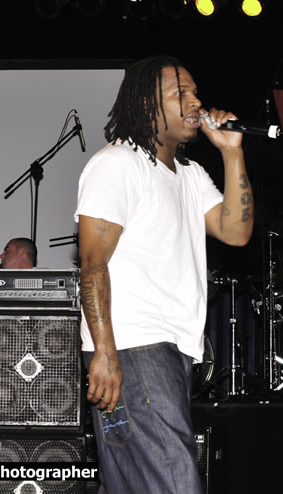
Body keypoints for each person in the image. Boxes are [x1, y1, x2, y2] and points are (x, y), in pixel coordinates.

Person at [75, 56, 253, 493]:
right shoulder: (117, 164)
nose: (196, 102)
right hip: (134, 347)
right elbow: (93, 263)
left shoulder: (189, 175)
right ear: (146, 104)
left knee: (128, 481)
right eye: (181, 94)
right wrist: (105, 353)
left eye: (195, 93)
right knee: (174, 479)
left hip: (172, 347)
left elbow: (235, 230)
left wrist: (232, 151)